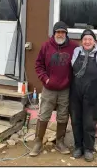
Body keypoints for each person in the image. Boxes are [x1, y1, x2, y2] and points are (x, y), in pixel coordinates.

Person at [31, 21, 78, 157]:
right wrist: (45, 79)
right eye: (58, 32)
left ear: (66, 34)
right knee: (44, 114)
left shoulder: (73, 47)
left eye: (63, 32)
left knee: (63, 116)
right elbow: (38, 65)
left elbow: (86, 51)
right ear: (54, 33)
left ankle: (60, 142)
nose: (60, 34)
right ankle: (38, 142)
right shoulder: (46, 46)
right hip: (49, 88)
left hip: (65, 89)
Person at [70, 29, 97, 162]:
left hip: (93, 94)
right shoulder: (77, 52)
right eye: (85, 39)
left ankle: (88, 149)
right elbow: (71, 67)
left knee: (89, 121)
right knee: (76, 120)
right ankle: (78, 147)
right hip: (76, 91)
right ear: (82, 41)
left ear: (94, 41)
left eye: (90, 39)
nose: (87, 41)